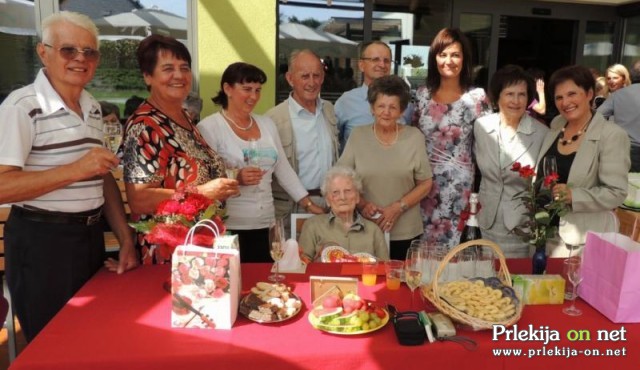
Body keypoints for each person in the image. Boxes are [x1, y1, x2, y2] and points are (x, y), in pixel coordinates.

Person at [0, 11, 137, 342]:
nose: (80, 58)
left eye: (89, 51)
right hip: (41, 243)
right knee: (52, 345)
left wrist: (125, 238)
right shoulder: (21, 106)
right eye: (68, 50)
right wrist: (78, 168)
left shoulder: (91, 105)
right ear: (43, 52)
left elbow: (101, 177)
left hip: (88, 239)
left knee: (90, 338)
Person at [121, 34, 239, 264]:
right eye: (167, 68)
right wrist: (205, 192)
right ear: (148, 76)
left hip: (196, 245)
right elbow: (140, 198)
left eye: (184, 68)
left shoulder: (183, 117)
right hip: (169, 254)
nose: (179, 75)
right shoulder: (146, 126)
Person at [198, 62, 324, 262]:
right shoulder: (209, 127)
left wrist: (308, 203)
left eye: (258, 90)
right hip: (230, 226)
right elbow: (204, 179)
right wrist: (236, 178)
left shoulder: (266, 123)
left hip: (267, 223)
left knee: (266, 283)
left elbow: (283, 168)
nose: (253, 97)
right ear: (227, 88)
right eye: (247, 89)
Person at [537, 65, 629, 257]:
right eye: (559, 97)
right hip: (545, 233)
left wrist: (574, 196)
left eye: (572, 94)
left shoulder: (611, 135)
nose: (566, 102)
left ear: (589, 94)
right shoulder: (556, 125)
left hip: (581, 243)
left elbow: (616, 192)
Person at [338, 75, 433, 260]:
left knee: (403, 283)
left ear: (402, 111)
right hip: (365, 229)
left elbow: (426, 183)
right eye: (381, 106)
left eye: (393, 107)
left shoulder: (414, 137)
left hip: (405, 231)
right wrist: (362, 203)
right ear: (372, 108)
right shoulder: (358, 136)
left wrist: (398, 207)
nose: (386, 112)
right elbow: (342, 178)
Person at [413, 28, 492, 249]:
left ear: (464, 59)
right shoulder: (421, 95)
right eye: (443, 54)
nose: (449, 60)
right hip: (423, 186)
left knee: (456, 250)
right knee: (423, 248)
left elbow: (486, 147)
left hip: (461, 188)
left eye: (455, 54)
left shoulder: (477, 98)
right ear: (434, 58)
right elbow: (412, 141)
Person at [474, 65, 549, 258]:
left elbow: (544, 186)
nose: (515, 101)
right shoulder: (481, 127)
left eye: (522, 94)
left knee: (513, 281)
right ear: (497, 97)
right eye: (509, 94)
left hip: (519, 226)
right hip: (485, 220)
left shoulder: (542, 134)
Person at [265, 50, 339, 222]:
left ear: (322, 78)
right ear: (290, 79)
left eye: (316, 75)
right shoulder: (274, 118)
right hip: (291, 207)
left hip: (329, 205)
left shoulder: (329, 110)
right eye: (305, 76)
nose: (312, 82)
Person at [335, 41, 413, 151]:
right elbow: (333, 142)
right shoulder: (346, 102)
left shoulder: (405, 104)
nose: (382, 65)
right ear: (361, 65)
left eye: (386, 60)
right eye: (375, 59)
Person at [299, 166, 389, 262]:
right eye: (335, 192)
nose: (342, 197)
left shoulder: (373, 230)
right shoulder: (312, 226)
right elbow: (302, 265)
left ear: (357, 197)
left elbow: (385, 268)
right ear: (327, 200)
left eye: (348, 191)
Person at [598, 61, 640, 172]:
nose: (611, 81)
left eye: (615, 77)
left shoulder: (618, 95)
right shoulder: (616, 95)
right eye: (608, 78)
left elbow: (597, 116)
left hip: (627, 149)